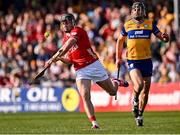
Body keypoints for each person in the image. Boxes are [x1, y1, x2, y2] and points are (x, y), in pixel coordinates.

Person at [47, 13, 128, 129]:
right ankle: (94, 123)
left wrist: (52, 58)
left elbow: (67, 46)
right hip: (80, 69)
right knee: (85, 95)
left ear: (72, 22)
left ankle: (115, 82)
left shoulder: (78, 31)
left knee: (112, 92)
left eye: (67, 22)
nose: (65, 25)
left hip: (94, 65)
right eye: (63, 23)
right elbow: (70, 59)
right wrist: (60, 59)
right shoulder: (65, 37)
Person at [116, 2, 169, 126]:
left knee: (145, 91)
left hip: (147, 60)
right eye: (135, 9)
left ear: (143, 11)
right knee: (138, 84)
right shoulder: (127, 25)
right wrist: (118, 58)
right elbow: (119, 41)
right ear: (131, 12)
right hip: (133, 60)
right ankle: (134, 99)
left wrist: (165, 38)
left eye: (139, 9)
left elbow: (161, 36)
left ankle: (139, 114)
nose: (137, 11)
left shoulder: (150, 24)